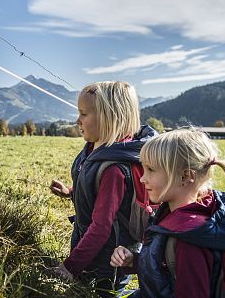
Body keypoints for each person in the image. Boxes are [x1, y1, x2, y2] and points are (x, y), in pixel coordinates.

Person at [50, 81, 157, 296]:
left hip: (107, 265)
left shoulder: (114, 170)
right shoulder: (93, 149)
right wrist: (71, 192)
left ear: (110, 118)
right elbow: (99, 198)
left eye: (84, 114)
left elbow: (101, 229)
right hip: (87, 251)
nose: (77, 120)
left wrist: (69, 267)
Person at [110, 127, 225, 297]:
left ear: (185, 176)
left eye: (151, 170)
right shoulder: (192, 211)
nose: (142, 178)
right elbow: (168, 267)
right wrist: (133, 261)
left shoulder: (189, 240)